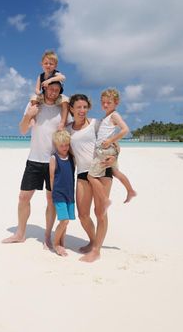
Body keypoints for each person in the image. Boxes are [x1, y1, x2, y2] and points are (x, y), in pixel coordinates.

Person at [2, 81, 64, 248]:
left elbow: (70, 132)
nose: (53, 92)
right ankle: (20, 234)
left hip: (54, 161)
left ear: (60, 92)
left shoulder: (62, 110)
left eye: (57, 90)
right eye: (51, 89)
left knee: (51, 200)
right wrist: (28, 115)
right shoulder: (34, 105)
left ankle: (47, 237)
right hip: (34, 160)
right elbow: (22, 130)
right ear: (44, 88)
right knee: (23, 197)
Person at [83, 88, 136, 262]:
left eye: (109, 102)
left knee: (99, 209)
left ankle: (96, 250)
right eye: (103, 102)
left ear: (116, 103)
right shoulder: (105, 118)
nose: (105, 105)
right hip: (105, 152)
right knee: (115, 172)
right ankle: (130, 191)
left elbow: (125, 129)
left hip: (104, 152)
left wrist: (111, 142)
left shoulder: (114, 116)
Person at [66, 94, 113, 261]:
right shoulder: (68, 129)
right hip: (82, 173)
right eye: (78, 107)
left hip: (101, 170)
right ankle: (93, 241)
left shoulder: (96, 124)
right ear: (71, 109)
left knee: (100, 212)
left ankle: (97, 250)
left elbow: (114, 144)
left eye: (85, 107)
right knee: (83, 214)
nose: (82, 110)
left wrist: (114, 157)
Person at [49, 130, 76, 257]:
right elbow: (52, 177)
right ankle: (56, 243)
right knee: (64, 220)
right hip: (59, 194)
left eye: (67, 145)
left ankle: (62, 241)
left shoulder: (72, 158)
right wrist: (52, 193)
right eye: (61, 145)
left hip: (70, 194)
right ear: (56, 145)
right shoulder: (54, 158)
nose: (64, 148)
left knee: (67, 221)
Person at [30, 50, 69, 131]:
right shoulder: (41, 76)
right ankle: (33, 118)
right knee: (33, 98)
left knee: (65, 101)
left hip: (57, 96)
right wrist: (39, 93)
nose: (48, 65)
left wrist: (49, 80)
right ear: (42, 64)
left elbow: (63, 78)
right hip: (45, 96)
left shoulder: (56, 73)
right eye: (46, 63)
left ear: (55, 66)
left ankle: (63, 121)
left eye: (51, 64)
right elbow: (37, 88)